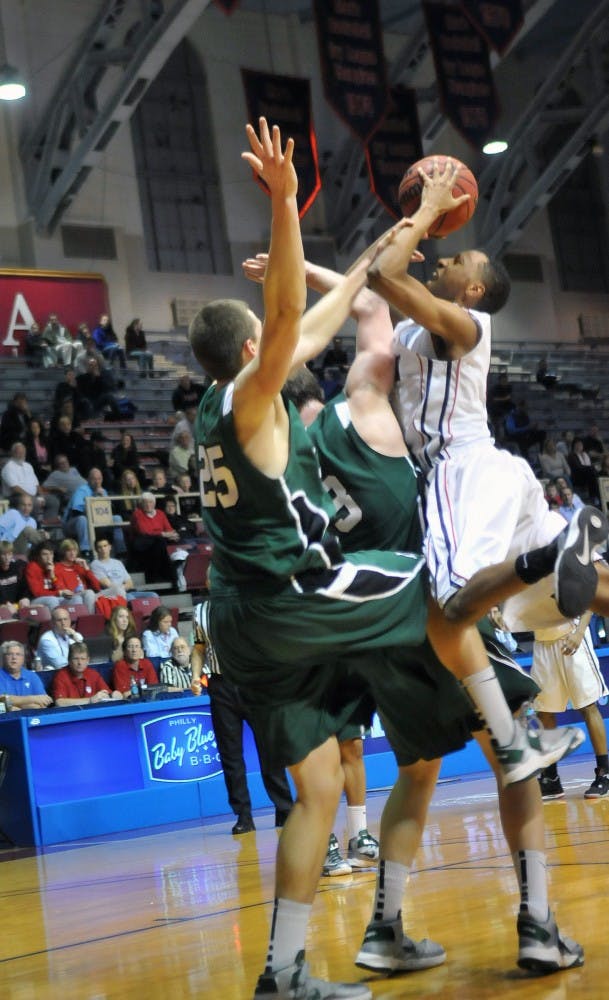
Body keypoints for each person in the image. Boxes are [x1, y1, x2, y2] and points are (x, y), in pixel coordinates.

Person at [189, 122, 581, 998]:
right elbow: (331, 309)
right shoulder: (316, 387)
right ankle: (539, 581)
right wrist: (295, 208)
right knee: (475, 674)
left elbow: (346, 303)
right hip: (333, 588)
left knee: (334, 783)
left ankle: (315, 958)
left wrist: (359, 253)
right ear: (256, 350)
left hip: (255, 620)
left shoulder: (292, 401)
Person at [192, 599, 293, 835]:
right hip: (220, 684)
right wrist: (196, 675)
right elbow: (199, 647)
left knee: (270, 749)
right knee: (230, 754)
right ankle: (243, 816)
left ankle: (284, 808)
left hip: (254, 682)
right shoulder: (200, 611)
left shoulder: (250, 601)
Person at [532, 612, 609, 801]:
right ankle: (550, 778)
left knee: (588, 706)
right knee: (544, 712)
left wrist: (579, 632)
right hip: (542, 643)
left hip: (572, 636)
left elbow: (588, 596)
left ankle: (604, 773)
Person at [130, 493, 186, 591]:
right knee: (159, 542)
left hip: (158, 543)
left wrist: (173, 534)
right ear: (141, 504)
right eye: (145, 502)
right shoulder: (137, 514)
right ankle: (172, 577)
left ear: (154, 503)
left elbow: (169, 529)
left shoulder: (160, 513)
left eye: (150, 502)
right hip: (142, 543)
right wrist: (163, 534)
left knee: (163, 542)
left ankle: (171, 575)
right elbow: (144, 531)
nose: (148, 505)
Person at [1, 442, 60, 521]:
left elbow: (36, 484)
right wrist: (30, 497)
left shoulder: (28, 466)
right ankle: (34, 527)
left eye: (23, 452)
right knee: (33, 502)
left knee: (53, 501)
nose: (22, 454)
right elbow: (15, 488)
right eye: (19, 452)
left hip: (32, 496)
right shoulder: (8, 467)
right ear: (13, 453)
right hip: (15, 497)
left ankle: (48, 527)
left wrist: (41, 496)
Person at [52, 641, 122, 706]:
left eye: (83, 659)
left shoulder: (94, 674)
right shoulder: (61, 676)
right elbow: (59, 702)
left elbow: (106, 693)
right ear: (69, 660)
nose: (79, 663)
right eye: (76, 659)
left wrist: (113, 695)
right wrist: (89, 700)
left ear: (88, 660)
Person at [0, 641, 52, 710]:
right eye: (9, 654)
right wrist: (32, 699)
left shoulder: (32, 676)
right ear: (3, 657)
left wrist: (16, 707)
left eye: (18, 654)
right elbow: (2, 700)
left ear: (23, 658)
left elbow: (44, 702)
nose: (14, 657)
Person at [0, 541, 29, 613]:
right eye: (3, 555)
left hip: (17, 605)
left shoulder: (17, 568)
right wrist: (3, 605)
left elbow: (24, 588)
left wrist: (25, 598)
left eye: (9, 554)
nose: (7, 558)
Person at [567, 437, 598, 501]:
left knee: (595, 471)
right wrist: (591, 468)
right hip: (577, 475)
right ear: (574, 446)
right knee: (591, 471)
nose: (579, 446)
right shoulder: (572, 455)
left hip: (587, 474)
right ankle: (593, 496)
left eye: (580, 445)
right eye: (577, 445)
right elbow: (578, 467)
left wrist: (592, 467)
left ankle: (598, 494)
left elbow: (590, 465)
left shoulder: (585, 454)